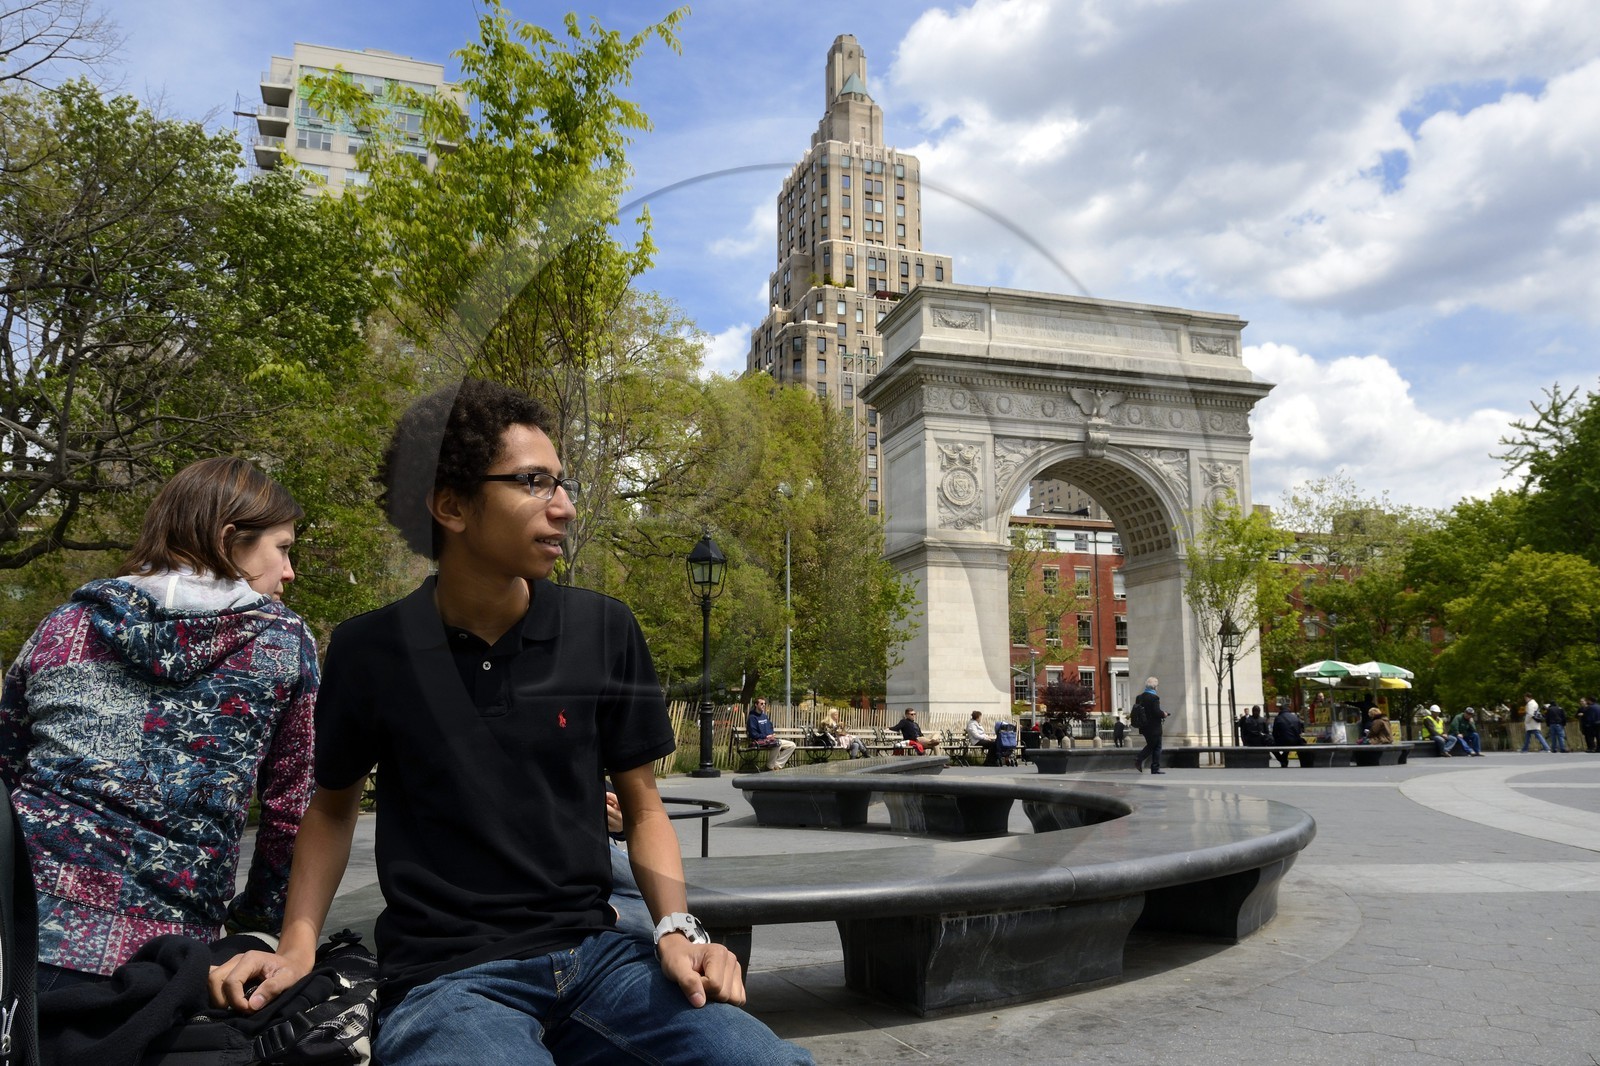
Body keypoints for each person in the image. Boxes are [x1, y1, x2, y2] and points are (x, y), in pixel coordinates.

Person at [208, 380, 808, 1064]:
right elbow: (332, 809)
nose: (565, 506)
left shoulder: (604, 629)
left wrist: (676, 928)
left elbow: (643, 808)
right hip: (446, 979)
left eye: (561, 482)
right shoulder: (370, 649)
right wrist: (297, 944)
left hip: (604, 959)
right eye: (533, 482)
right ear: (451, 505)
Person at [0, 458, 317, 993]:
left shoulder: (66, 624)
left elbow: (7, 764)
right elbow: (292, 809)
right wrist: (257, 923)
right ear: (229, 540)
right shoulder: (281, 643)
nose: (289, 571)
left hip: (20, 929)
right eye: (282, 548)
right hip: (165, 955)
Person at [747, 697, 796, 771]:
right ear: (756, 705)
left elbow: (770, 727)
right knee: (777, 744)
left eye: (764, 704)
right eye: (761, 704)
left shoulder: (765, 716)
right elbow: (753, 734)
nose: (763, 705)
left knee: (792, 745)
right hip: (759, 741)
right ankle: (769, 766)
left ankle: (777, 765)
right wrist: (766, 736)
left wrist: (771, 735)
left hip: (770, 740)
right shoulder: (752, 718)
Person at [1132, 677, 1167, 774]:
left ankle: (1142, 761)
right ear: (1155, 687)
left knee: (1152, 745)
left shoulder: (1139, 697)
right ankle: (1145, 762)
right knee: (1157, 746)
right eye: (1157, 686)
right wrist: (1164, 714)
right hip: (1154, 727)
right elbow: (1156, 712)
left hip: (1143, 726)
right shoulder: (1154, 698)